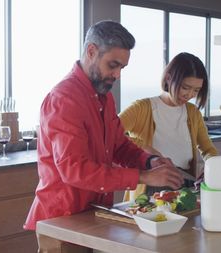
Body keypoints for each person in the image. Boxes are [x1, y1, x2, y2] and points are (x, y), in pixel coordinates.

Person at [24, 20, 185, 235]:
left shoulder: (105, 98)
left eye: (122, 67)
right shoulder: (64, 99)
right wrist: (143, 177)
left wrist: (150, 161)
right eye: (113, 65)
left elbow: (119, 147)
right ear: (91, 51)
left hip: (94, 214)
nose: (117, 74)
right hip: (61, 219)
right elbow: (75, 170)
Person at [119, 52, 218, 199]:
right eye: (185, 87)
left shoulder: (193, 113)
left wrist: (213, 166)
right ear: (169, 78)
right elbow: (109, 133)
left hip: (184, 183)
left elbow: (207, 148)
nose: (189, 94)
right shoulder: (141, 108)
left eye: (196, 90)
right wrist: (145, 147)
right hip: (151, 187)